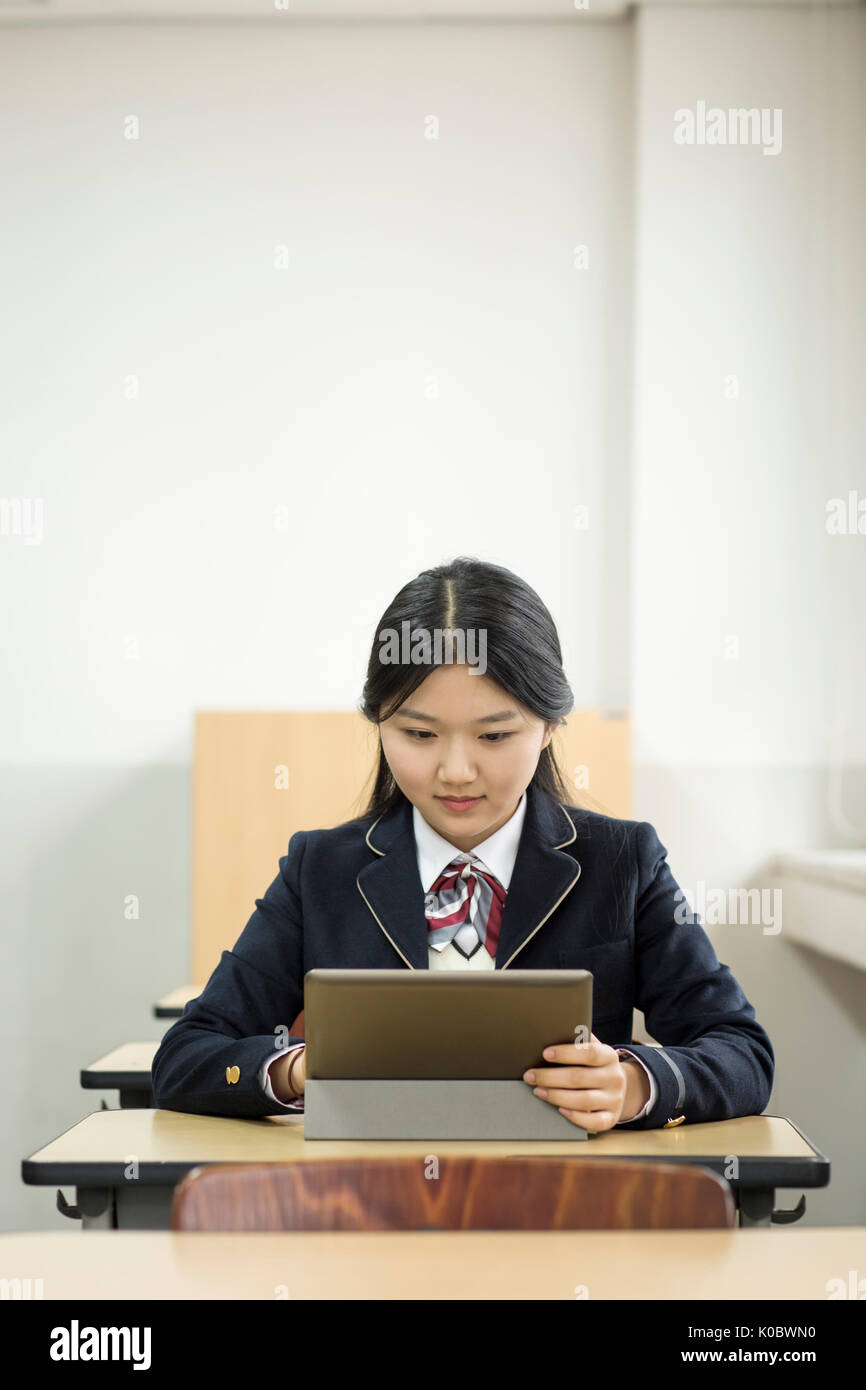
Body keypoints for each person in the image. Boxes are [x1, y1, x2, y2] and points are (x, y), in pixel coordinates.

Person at [151, 555, 774, 1131]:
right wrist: (299, 1069)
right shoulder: (322, 871)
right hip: (369, 1207)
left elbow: (741, 1052)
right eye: (419, 735)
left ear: (551, 725)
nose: (455, 771)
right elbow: (187, 1057)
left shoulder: (622, 863)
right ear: (379, 724)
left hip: (566, 1212)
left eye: (495, 737)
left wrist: (636, 1084)